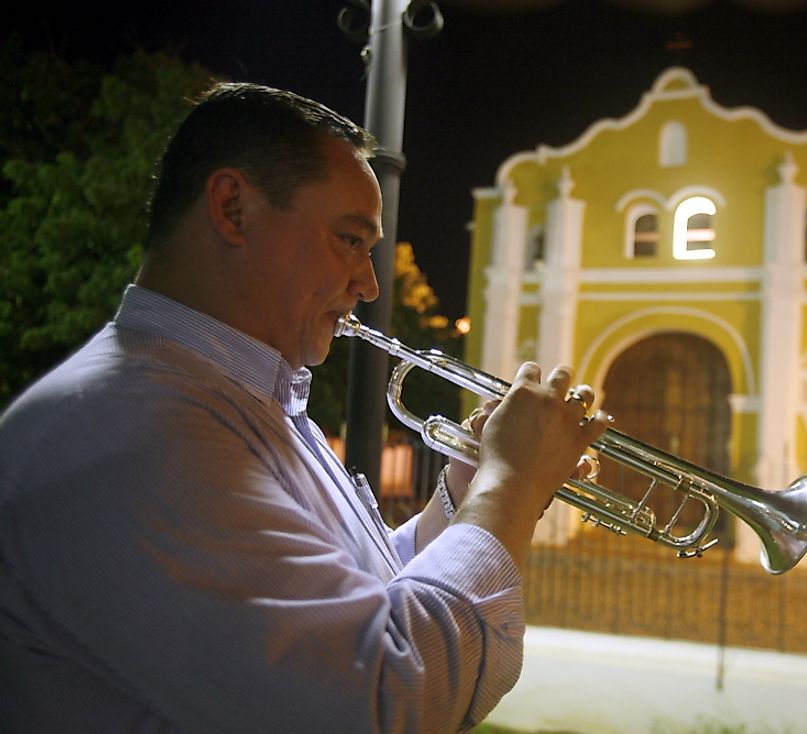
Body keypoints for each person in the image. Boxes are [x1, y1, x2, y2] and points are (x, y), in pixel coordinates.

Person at [0, 83, 609, 733]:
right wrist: (509, 486)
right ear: (233, 209)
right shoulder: (130, 427)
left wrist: (465, 490)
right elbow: (382, 700)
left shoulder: (237, 398)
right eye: (349, 240)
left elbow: (357, 599)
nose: (369, 284)